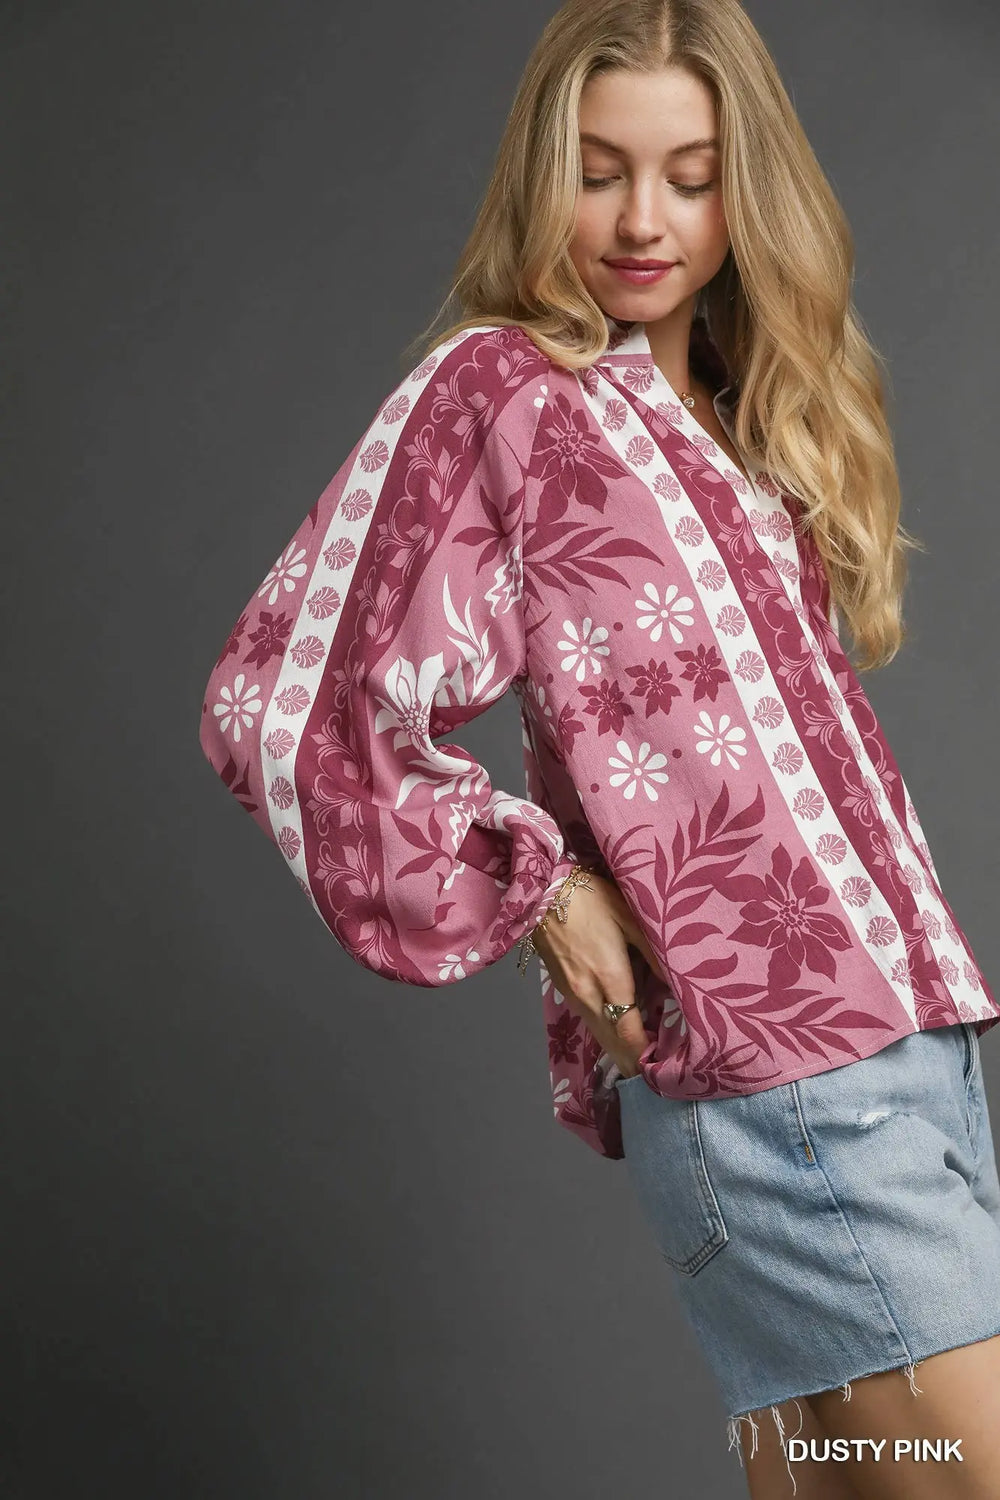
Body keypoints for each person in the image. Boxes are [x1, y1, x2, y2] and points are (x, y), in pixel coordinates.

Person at [198, 1, 1000, 1494]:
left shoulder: (742, 414)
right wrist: (545, 889)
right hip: (785, 1085)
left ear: (745, 190)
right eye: (599, 170)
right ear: (540, 177)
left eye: (690, 178)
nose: (643, 220)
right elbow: (280, 703)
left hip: (908, 1059)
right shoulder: (501, 394)